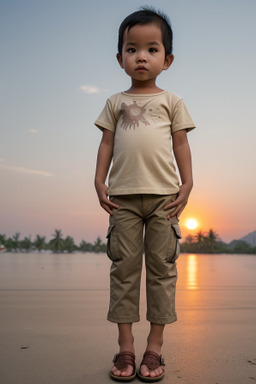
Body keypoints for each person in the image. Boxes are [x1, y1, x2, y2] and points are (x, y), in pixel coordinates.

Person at [94, 7, 195, 382]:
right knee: (123, 270)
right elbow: (106, 143)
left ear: (166, 60)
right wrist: (98, 180)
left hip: (164, 199)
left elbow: (181, 144)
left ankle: (154, 348)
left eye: (151, 49)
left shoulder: (172, 101)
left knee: (161, 271)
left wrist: (187, 184)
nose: (141, 56)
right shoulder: (115, 102)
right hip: (122, 198)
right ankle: (125, 347)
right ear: (120, 58)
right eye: (132, 49)